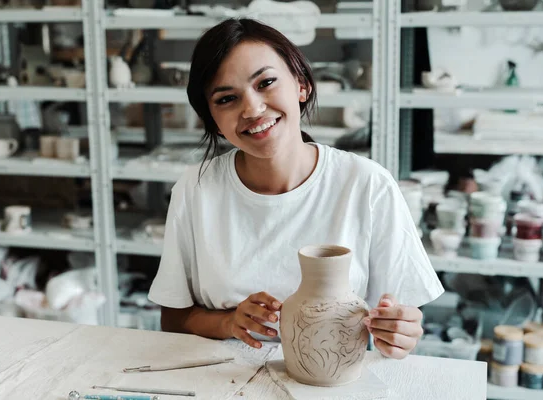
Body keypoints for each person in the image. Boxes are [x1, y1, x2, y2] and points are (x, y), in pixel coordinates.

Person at [148, 18, 444, 360]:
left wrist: (401, 332)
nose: (252, 109)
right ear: (212, 119)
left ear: (301, 85)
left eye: (267, 82)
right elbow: (173, 319)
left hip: (330, 380)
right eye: (227, 98)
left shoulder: (367, 184)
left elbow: (404, 322)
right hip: (223, 378)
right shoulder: (196, 189)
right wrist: (230, 322)